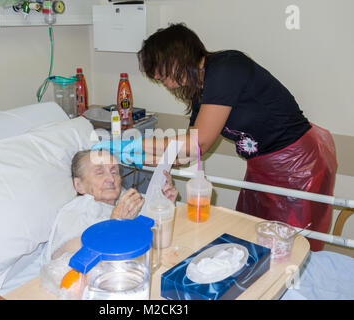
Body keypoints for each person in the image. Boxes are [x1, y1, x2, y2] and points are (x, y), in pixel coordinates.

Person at [92, 23, 337, 251]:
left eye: (162, 72)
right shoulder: (202, 91)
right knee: (254, 238)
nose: (162, 81)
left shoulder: (226, 67)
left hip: (298, 164)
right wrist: (136, 158)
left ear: (177, 56)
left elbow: (198, 143)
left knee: (289, 246)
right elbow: (187, 153)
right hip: (262, 166)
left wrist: (134, 142)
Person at [43, 149, 178, 262]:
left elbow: (149, 237)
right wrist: (114, 225)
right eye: (99, 173)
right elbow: (62, 258)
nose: (111, 179)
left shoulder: (124, 201)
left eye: (114, 172)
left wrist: (162, 206)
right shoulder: (76, 211)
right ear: (79, 185)